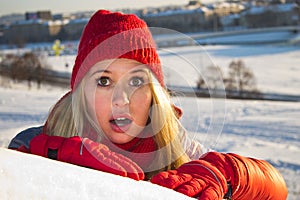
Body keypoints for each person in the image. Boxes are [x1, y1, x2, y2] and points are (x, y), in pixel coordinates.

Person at [9, 10, 288, 199]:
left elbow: (277, 190)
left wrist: (228, 175)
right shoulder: (36, 144)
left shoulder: (178, 150)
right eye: (104, 81)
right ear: (81, 91)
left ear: (154, 91)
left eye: (136, 82)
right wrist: (53, 171)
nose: (122, 100)